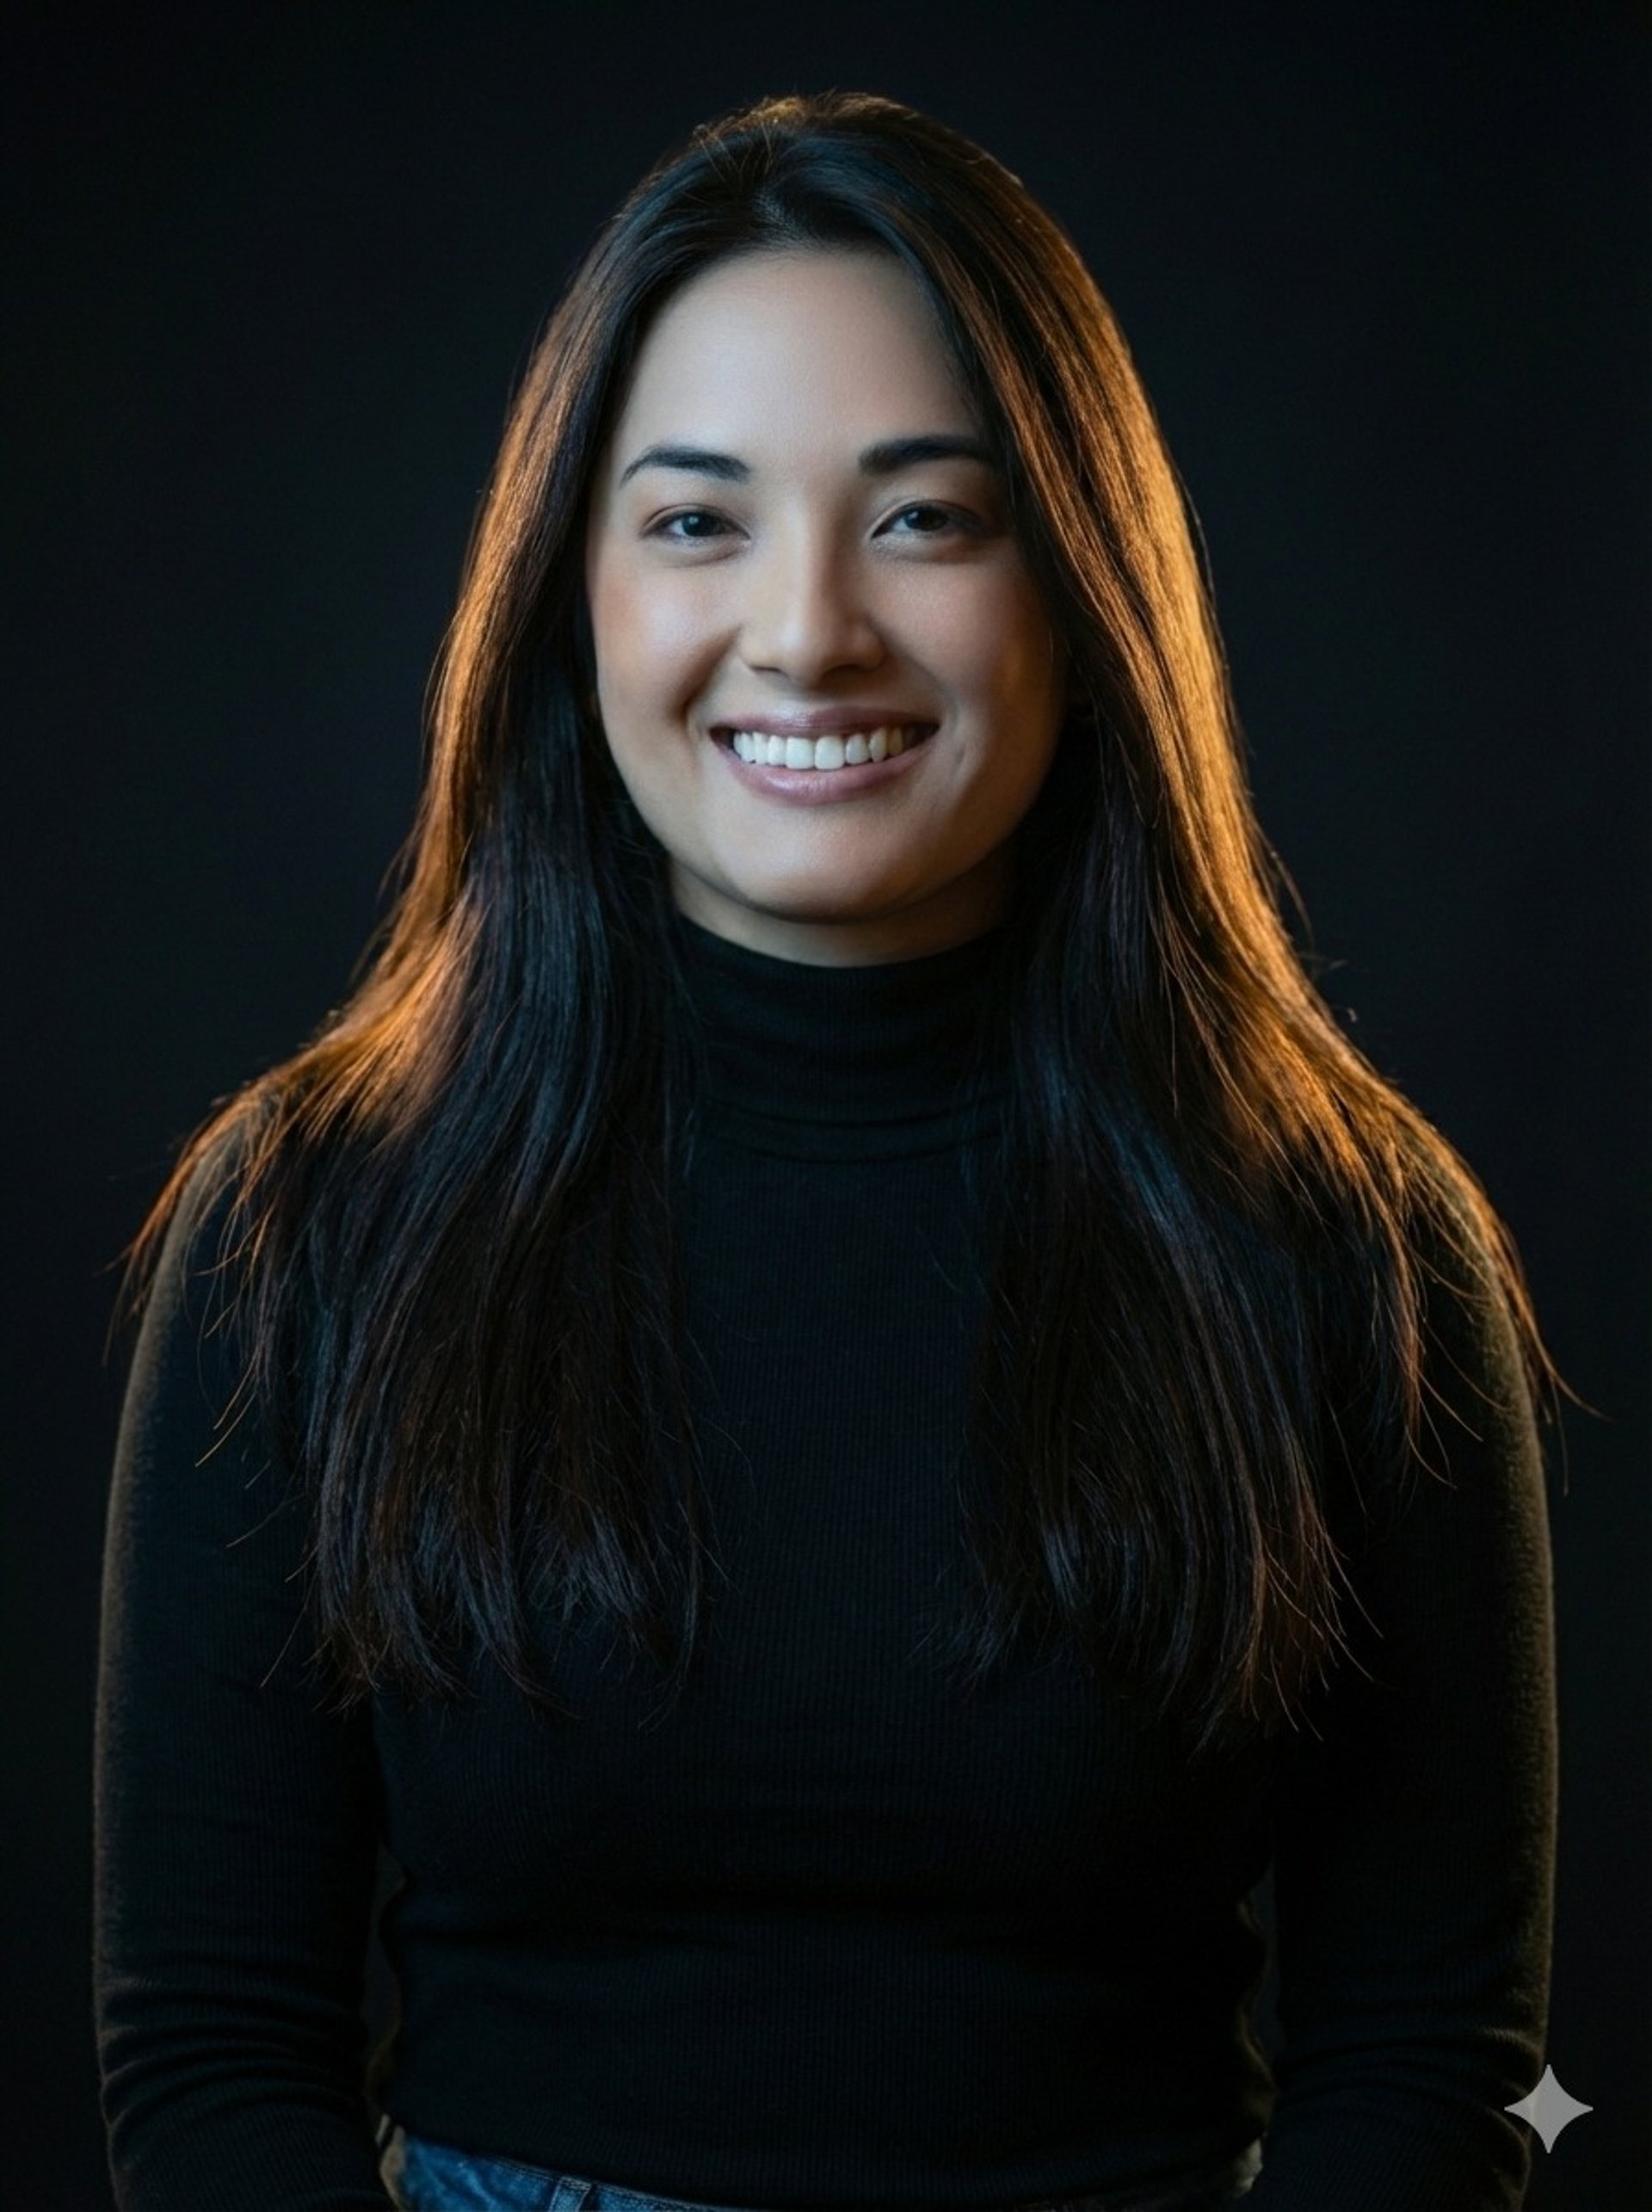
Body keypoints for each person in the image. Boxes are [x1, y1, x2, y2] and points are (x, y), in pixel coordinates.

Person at [94, 89, 1560, 2212]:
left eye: (925, 517)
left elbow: (1432, 2059)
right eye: (696, 521)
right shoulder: (311, 1216)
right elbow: (211, 2052)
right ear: (567, 594)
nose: (806, 631)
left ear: (1079, 583)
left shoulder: (1348, 1233)